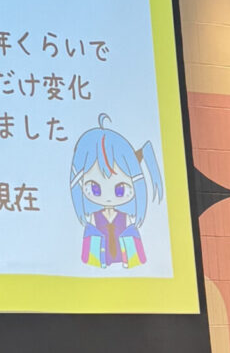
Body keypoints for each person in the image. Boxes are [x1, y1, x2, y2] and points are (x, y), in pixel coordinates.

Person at [69, 114, 164, 268]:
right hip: (100, 264)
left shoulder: (126, 218)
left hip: (126, 264)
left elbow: (134, 245)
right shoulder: (93, 217)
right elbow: (89, 248)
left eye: (120, 190)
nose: (108, 197)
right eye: (94, 188)